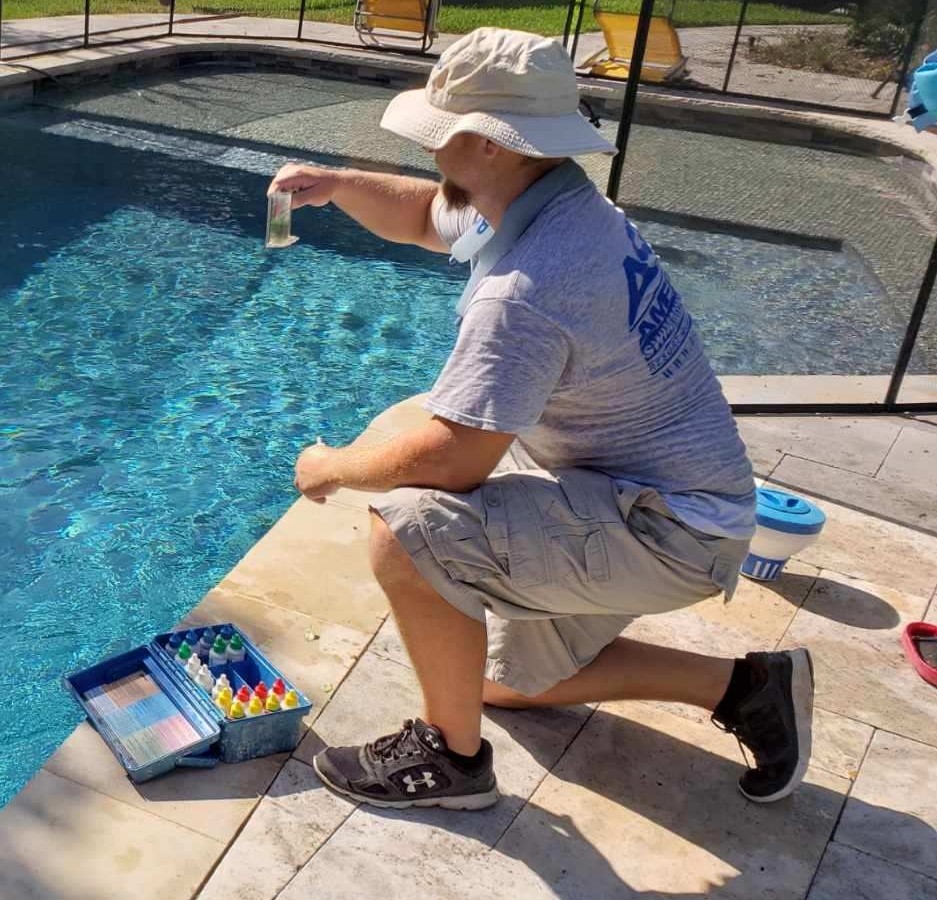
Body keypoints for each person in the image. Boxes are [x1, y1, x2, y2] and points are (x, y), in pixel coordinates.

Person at [268, 27, 814, 812]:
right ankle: (750, 687)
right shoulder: (553, 204)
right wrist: (336, 183)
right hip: (662, 497)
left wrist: (332, 467)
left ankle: (449, 765)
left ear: (489, 144)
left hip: (667, 530)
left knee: (407, 528)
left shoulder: (530, 287)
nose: (432, 149)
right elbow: (429, 216)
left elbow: (455, 461)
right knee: (497, 681)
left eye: (442, 132)